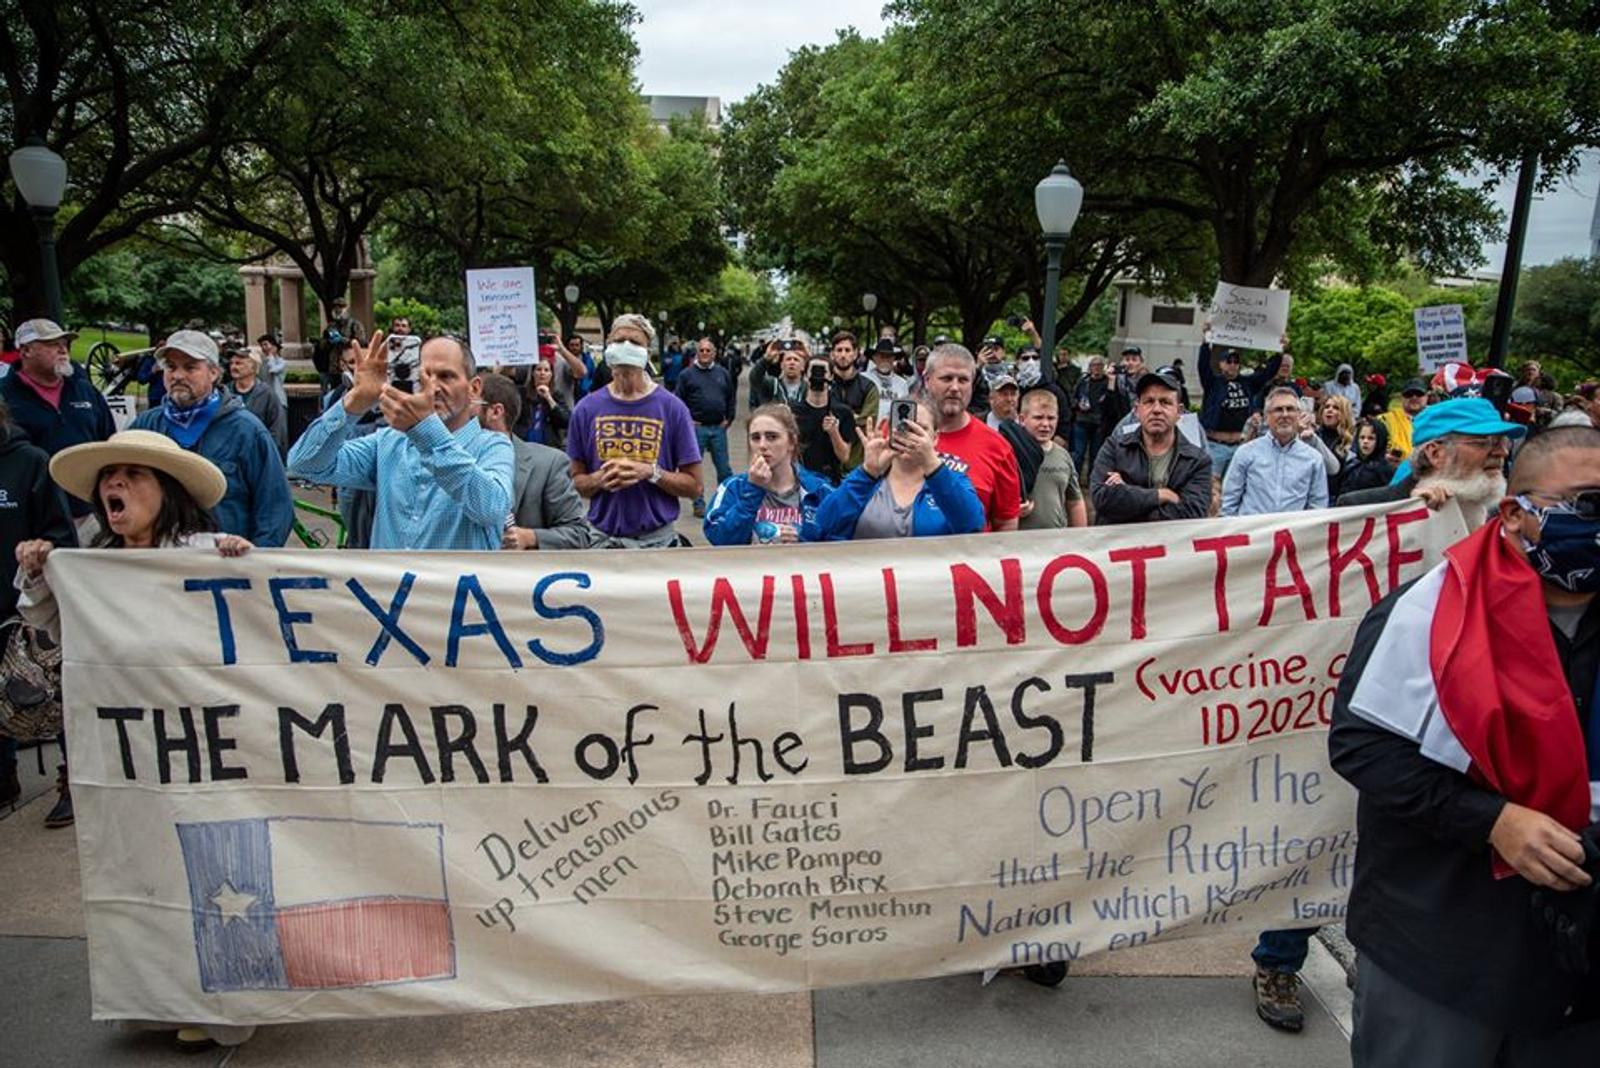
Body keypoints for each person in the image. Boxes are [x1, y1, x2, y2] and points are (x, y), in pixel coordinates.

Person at [1330, 425, 1600, 1066]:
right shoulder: (1427, 613)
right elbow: (1363, 746)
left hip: (1581, 973)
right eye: (1587, 505)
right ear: (1516, 514)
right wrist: (1495, 822)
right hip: (1442, 949)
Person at [15, 428, 254, 1052]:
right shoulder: (90, 563)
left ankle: (219, 1003)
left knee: (213, 869)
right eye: (109, 478)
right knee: (142, 870)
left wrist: (247, 563)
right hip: (128, 749)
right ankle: (155, 997)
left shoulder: (206, 552)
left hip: (203, 744)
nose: (114, 486)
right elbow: (46, 620)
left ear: (166, 491)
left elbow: (256, 619)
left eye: (133, 475)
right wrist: (40, 572)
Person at [287, 333, 513, 550]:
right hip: (391, 589)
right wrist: (357, 400)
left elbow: (490, 509)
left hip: (456, 590)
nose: (432, 387)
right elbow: (304, 463)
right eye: (422, 377)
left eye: (446, 376)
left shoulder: (493, 446)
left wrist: (424, 430)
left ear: (473, 388)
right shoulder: (388, 442)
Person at [130, 331, 293, 547]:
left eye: (190, 367)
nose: (178, 375)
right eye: (171, 367)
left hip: (226, 569)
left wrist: (257, 564)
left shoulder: (246, 431)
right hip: (160, 568)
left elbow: (275, 508)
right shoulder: (145, 427)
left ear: (214, 373)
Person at [0, 398, 76, 821]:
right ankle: (4, 774)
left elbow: (60, 534)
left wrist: (40, 556)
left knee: (56, 696)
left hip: (28, 613)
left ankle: (73, 779)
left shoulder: (29, 463)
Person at [567, 314, 702, 548]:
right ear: (608, 347)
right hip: (602, 542)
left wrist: (651, 473)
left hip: (657, 543)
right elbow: (575, 481)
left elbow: (694, 486)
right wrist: (599, 479)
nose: (625, 347)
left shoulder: (672, 408)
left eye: (635, 342)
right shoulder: (586, 409)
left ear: (647, 352)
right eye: (618, 341)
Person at [811, 398, 985, 540]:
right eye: (904, 427)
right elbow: (824, 524)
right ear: (890, 431)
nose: (911, 435)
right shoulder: (866, 479)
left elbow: (972, 525)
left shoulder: (952, 479)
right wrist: (868, 473)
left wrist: (932, 465)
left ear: (935, 438)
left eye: (921, 429)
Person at [1337, 398, 1524, 529]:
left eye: (1503, 441)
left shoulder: (1509, 518)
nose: (1502, 452)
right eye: (1486, 442)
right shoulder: (1361, 509)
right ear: (1435, 453)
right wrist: (1410, 514)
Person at [0, 319, 117, 522]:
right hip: (29, 516)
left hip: (88, 511)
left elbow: (109, 442)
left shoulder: (85, 390)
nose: (63, 349)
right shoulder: (4, 395)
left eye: (65, 343)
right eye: (52, 344)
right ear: (26, 351)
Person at [476, 374, 596, 551]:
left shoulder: (549, 464)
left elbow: (579, 536)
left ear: (495, 412)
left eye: (469, 405)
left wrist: (530, 538)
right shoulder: (446, 464)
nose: (461, 413)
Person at [1090, 369, 1212, 524]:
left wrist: (1127, 493)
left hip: (1170, 546)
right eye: (1148, 402)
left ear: (1179, 412)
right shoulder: (1114, 447)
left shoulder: (1197, 461)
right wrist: (1161, 495)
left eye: (1165, 402)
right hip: (1117, 545)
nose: (1156, 410)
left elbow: (1192, 513)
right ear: (1137, 410)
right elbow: (1102, 498)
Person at [704, 404, 833, 545]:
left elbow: (842, 539)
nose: (762, 445)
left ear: (792, 442)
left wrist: (804, 538)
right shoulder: (733, 487)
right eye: (755, 438)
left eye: (772, 437)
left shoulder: (820, 490)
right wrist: (752, 490)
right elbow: (719, 538)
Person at [925, 344, 1022, 531]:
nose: (954, 387)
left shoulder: (998, 447)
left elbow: (1006, 523)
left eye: (963, 380)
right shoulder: (897, 434)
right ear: (927, 380)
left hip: (971, 558)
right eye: (946, 378)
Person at [1221, 387, 1329, 518]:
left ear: (1298, 414)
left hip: (1293, 535)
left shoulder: (1313, 458)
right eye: (1278, 410)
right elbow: (1228, 503)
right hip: (1254, 534)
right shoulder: (1246, 453)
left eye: (1290, 409)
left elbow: (1318, 507)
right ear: (1267, 416)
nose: (1285, 415)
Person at [1196, 332, 1284, 484]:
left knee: (1235, 487)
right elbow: (1203, 366)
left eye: (1236, 361)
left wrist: (1279, 349)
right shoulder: (1213, 383)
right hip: (1215, 446)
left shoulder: (1248, 383)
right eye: (1228, 361)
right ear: (1221, 364)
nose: (1232, 364)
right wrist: (1206, 342)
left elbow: (1268, 372)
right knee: (1212, 489)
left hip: (1241, 446)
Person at [676, 337, 737, 517]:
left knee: (724, 469)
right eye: (701, 350)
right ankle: (698, 504)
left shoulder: (722, 373)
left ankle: (725, 501)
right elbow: (678, 401)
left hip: (718, 428)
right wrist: (687, 421)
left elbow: (730, 398)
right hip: (697, 429)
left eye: (707, 350)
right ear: (697, 353)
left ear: (714, 353)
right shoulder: (686, 375)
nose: (704, 353)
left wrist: (729, 418)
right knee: (695, 469)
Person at [1017, 389, 1086, 529]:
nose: (1045, 424)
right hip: (1019, 543)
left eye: (1051, 418)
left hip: (1056, 543)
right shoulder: (1009, 454)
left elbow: (1075, 502)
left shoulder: (1063, 456)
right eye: (1038, 417)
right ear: (1022, 419)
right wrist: (1011, 511)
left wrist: (1082, 537)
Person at [791, 356, 859, 485]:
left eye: (823, 371)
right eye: (814, 371)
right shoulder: (793, 412)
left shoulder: (843, 412)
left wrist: (834, 433)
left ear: (832, 376)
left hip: (830, 481)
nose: (819, 375)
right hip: (799, 481)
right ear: (805, 376)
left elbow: (844, 456)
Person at [828, 331, 879, 469]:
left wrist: (840, 420)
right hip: (827, 462)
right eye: (839, 350)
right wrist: (854, 415)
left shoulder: (868, 387)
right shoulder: (824, 386)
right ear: (832, 354)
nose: (843, 355)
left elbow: (868, 421)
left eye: (847, 350)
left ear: (855, 353)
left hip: (857, 462)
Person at [227, 347, 287, 455]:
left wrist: (268, 454)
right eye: (232, 363)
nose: (233, 367)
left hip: (258, 456)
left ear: (253, 367)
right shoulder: (225, 393)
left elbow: (277, 430)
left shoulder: (267, 394)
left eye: (239, 363)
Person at [1070, 356, 1113, 474]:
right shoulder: (1083, 381)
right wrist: (1078, 404)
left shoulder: (1107, 382)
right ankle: (1075, 479)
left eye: (1099, 365)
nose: (1097, 368)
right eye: (1094, 365)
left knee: (1096, 455)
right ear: (1090, 367)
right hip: (1081, 420)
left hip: (1099, 422)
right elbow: (1073, 397)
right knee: (1078, 453)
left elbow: (1111, 402)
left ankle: (1092, 480)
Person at [515, 359, 570, 449]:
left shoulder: (556, 395)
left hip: (548, 447)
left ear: (551, 375)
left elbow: (565, 421)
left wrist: (549, 399)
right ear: (533, 373)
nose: (542, 373)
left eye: (546, 370)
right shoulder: (521, 393)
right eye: (539, 369)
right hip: (524, 445)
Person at [1340, 419, 1396, 497]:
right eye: (1362, 438)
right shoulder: (1351, 465)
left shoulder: (1385, 470)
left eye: (1371, 438)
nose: (1365, 441)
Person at [861, 339, 911, 423]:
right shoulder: (863, 378)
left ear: (894, 359)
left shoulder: (902, 384)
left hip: (892, 431)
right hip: (867, 429)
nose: (885, 360)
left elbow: (905, 410)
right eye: (881, 356)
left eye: (888, 356)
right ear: (874, 358)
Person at [1378, 378, 1428, 461]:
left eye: (1419, 394)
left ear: (1426, 397)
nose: (1414, 397)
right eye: (1409, 394)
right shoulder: (1385, 420)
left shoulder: (1438, 420)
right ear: (1402, 398)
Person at [1316, 394, 1355, 495]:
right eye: (1327, 407)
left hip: (1336, 496)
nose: (1329, 410)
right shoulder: (1313, 436)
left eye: (1336, 408)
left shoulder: (1350, 441)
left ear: (1344, 413)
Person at [752, 340, 809, 407]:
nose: (792, 362)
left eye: (796, 360)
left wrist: (809, 358)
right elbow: (755, 378)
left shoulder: (808, 388)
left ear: (803, 366)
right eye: (788, 359)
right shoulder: (772, 384)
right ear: (781, 365)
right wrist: (766, 359)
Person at [256, 333, 288, 409]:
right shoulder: (263, 362)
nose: (263, 348)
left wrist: (271, 355)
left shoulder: (282, 363)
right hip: (264, 399)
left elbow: (273, 370)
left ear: (274, 347)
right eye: (261, 345)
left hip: (279, 400)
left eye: (265, 344)